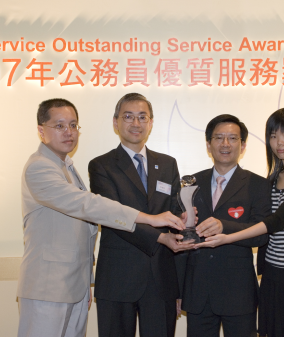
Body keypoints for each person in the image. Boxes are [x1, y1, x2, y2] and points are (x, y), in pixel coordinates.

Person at [17, 98, 185, 337]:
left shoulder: (65, 167)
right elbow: (90, 205)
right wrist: (149, 218)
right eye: (60, 126)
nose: (69, 132)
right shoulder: (41, 167)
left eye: (73, 125)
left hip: (74, 285)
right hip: (49, 286)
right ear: (41, 130)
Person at [197, 107, 284, 337]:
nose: (279, 142)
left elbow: (276, 221)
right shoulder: (271, 180)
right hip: (271, 277)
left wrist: (227, 236)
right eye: (273, 136)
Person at [88, 93, 195, 337]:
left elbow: (174, 211)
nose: (136, 123)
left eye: (142, 117)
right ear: (116, 122)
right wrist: (160, 237)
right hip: (118, 277)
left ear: (151, 122)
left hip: (161, 279)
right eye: (128, 117)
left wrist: (186, 216)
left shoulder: (167, 163)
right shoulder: (101, 165)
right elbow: (112, 216)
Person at [177, 114, 271, 337]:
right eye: (219, 138)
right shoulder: (190, 183)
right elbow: (180, 240)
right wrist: (178, 289)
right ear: (209, 144)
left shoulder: (258, 185)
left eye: (232, 138)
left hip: (238, 293)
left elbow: (262, 235)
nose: (225, 144)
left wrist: (224, 226)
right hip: (198, 291)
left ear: (243, 145)